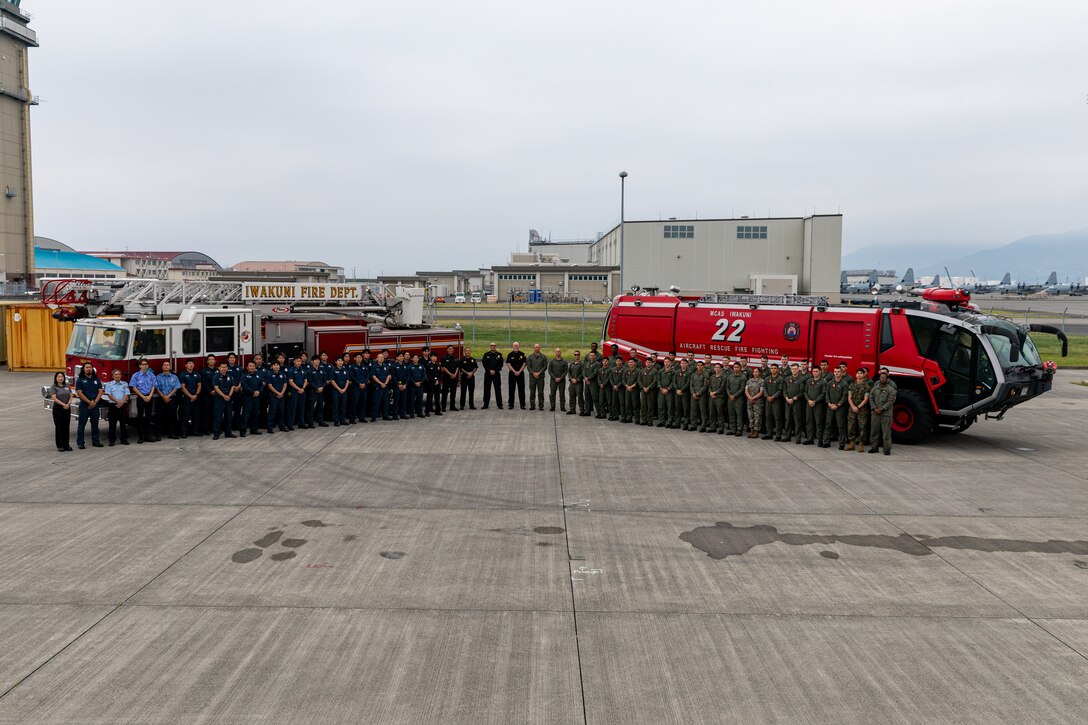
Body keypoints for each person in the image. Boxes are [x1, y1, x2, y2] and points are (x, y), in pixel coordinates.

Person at [74, 362, 105, 449]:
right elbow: (79, 393)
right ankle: (80, 443)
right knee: (82, 425)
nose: (88, 369)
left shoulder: (96, 379)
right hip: (84, 406)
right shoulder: (80, 380)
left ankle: (96, 441)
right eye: (87, 367)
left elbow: (100, 391)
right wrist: (89, 402)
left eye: (90, 367)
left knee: (95, 424)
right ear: (83, 369)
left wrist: (95, 402)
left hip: (95, 405)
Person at [129, 358, 158, 444]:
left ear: (148, 366)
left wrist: (150, 396)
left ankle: (148, 436)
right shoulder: (136, 375)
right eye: (143, 364)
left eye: (146, 364)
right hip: (141, 397)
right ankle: (141, 437)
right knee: (140, 417)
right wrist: (142, 396)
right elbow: (134, 387)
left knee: (149, 417)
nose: (144, 366)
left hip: (149, 397)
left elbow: (154, 386)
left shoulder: (151, 375)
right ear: (140, 366)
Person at [869, 368, 896, 455]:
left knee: (886, 433)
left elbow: (890, 401)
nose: (882, 379)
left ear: (887, 379)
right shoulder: (875, 389)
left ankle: (887, 449)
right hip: (875, 413)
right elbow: (871, 398)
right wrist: (874, 408)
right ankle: (874, 447)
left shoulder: (891, 389)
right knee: (874, 431)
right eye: (881, 377)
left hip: (886, 414)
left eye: (884, 377)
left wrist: (882, 408)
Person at [823, 367, 850, 449]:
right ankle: (826, 441)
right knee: (828, 424)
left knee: (841, 425)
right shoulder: (830, 383)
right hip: (830, 406)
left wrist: (838, 405)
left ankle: (842, 443)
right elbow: (826, 393)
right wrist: (829, 403)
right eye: (835, 372)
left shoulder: (844, 384)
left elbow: (844, 396)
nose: (837, 373)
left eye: (838, 372)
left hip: (840, 408)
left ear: (841, 373)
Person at [103, 368, 131, 446]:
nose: (117, 376)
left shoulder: (125, 384)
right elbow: (109, 394)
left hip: (122, 405)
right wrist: (117, 401)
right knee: (112, 424)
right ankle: (111, 440)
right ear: (112, 376)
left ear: (121, 376)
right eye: (116, 374)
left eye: (119, 374)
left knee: (123, 424)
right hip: (113, 405)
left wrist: (122, 402)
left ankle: (124, 439)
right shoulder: (109, 384)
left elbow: (127, 394)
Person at [846, 368, 871, 452]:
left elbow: (866, 399)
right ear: (856, 375)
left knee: (862, 426)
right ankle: (851, 443)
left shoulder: (866, 386)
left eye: (861, 373)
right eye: (858, 373)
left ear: (863, 375)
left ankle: (861, 444)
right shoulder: (852, 385)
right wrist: (853, 406)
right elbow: (849, 397)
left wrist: (858, 407)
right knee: (851, 426)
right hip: (852, 409)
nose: (859, 375)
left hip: (862, 409)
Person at [154, 362, 181, 440]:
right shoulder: (158, 377)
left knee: (172, 417)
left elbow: (176, 388)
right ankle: (158, 435)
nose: (166, 366)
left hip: (171, 398)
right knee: (158, 417)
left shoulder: (174, 377)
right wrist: (163, 396)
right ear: (162, 367)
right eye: (164, 365)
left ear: (170, 367)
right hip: (161, 399)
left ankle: (171, 434)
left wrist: (168, 396)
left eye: (168, 365)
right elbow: (157, 388)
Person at [48, 372, 74, 452]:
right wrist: (63, 404)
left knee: (66, 427)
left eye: (62, 376)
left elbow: (71, 395)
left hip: (67, 407)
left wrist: (68, 403)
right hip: (58, 408)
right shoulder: (53, 387)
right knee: (59, 427)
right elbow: (54, 398)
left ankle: (66, 444)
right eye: (59, 377)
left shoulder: (67, 386)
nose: (60, 378)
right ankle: (60, 445)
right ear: (56, 378)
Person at [211, 361, 236, 439]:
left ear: (227, 368)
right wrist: (224, 396)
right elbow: (216, 388)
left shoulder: (230, 376)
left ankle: (228, 433)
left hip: (228, 398)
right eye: (222, 367)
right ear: (219, 368)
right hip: (219, 399)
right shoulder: (216, 377)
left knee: (228, 416)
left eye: (225, 367)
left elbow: (233, 386)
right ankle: (216, 434)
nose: (224, 369)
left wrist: (229, 395)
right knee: (218, 417)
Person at [803, 367, 827, 445]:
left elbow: (823, 394)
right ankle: (810, 439)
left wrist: (815, 401)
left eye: (817, 371)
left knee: (819, 422)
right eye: (814, 371)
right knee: (809, 421)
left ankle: (820, 439)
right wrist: (809, 400)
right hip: (809, 404)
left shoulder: (823, 381)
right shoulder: (809, 381)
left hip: (818, 405)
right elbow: (805, 392)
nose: (815, 373)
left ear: (820, 372)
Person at [239, 361, 264, 436]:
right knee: (246, 414)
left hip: (257, 398)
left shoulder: (258, 376)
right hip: (248, 397)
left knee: (255, 414)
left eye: (253, 366)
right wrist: (253, 392)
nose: (252, 367)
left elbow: (262, 385)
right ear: (247, 367)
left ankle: (254, 429)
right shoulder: (244, 376)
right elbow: (244, 385)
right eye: (250, 366)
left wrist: (259, 391)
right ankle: (243, 431)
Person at [178, 360, 202, 438]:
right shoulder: (182, 374)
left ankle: (195, 431)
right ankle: (184, 432)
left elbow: (199, 385)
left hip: (196, 397)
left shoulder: (197, 374)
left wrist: (196, 395)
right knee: (185, 415)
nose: (191, 365)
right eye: (189, 364)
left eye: (192, 364)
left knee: (196, 415)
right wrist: (190, 396)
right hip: (186, 398)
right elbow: (182, 387)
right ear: (186, 365)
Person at [783, 363, 805, 444]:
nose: (794, 370)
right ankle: (787, 436)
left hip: (797, 403)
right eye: (793, 369)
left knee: (797, 420)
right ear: (791, 370)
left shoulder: (802, 379)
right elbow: (784, 390)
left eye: (796, 369)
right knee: (787, 419)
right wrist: (786, 398)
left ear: (798, 369)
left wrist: (794, 398)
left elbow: (802, 392)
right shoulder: (787, 379)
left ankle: (798, 438)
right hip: (788, 402)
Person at [762, 364, 784, 441]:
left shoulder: (780, 379)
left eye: (775, 368)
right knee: (768, 417)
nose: (773, 370)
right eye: (772, 368)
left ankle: (778, 435)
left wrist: (773, 397)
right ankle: (769, 433)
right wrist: (767, 396)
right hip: (768, 400)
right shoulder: (767, 378)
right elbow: (764, 388)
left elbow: (780, 390)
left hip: (776, 401)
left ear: (778, 370)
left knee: (777, 418)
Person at [266, 361, 289, 432]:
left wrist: (282, 393)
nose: (276, 366)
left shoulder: (283, 374)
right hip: (274, 396)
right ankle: (270, 427)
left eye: (277, 365)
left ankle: (282, 426)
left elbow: (285, 384)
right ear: (272, 366)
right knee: (272, 412)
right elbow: (270, 385)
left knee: (282, 411)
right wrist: (277, 393)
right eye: (274, 365)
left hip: (282, 396)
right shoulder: (269, 375)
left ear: (279, 367)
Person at [724, 362, 746, 436]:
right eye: (735, 367)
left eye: (737, 367)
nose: (736, 368)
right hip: (730, 398)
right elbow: (727, 387)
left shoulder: (743, 377)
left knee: (739, 415)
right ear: (733, 368)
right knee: (731, 414)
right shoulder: (730, 377)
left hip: (739, 399)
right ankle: (733, 429)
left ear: (740, 368)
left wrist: (734, 396)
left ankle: (739, 430)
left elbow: (742, 388)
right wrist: (729, 395)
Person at [370, 353, 393, 421]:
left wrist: (385, 383)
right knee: (376, 402)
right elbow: (373, 376)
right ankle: (374, 416)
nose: (381, 358)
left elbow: (388, 375)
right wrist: (381, 384)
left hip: (385, 386)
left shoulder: (385, 366)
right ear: (377, 359)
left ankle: (385, 416)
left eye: (382, 357)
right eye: (380, 357)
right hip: (378, 386)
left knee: (386, 402)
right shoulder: (374, 366)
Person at [287, 356, 308, 430]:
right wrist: (298, 389)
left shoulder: (303, 370)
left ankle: (301, 423)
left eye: (300, 361)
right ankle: (290, 424)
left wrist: (303, 388)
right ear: (294, 362)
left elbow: (305, 380)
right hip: (294, 391)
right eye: (297, 361)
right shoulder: (291, 370)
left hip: (302, 390)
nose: (299, 362)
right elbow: (290, 381)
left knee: (302, 407)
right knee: (293, 407)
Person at [328, 357, 350, 425]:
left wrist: (345, 389)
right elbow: (332, 381)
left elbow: (347, 380)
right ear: (336, 362)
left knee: (343, 406)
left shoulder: (345, 371)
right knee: (336, 406)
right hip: (336, 391)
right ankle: (336, 420)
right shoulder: (333, 370)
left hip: (344, 391)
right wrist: (339, 389)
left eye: (341, 361)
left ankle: (342, 420)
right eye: (339, 361)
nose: (340, 362)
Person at [307, 356, 329, 427]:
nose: (317, 361)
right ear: (312, 361)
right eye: (315, 360)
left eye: (318, 360)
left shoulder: (322, 370)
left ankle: (321, 421)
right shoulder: (309, 371)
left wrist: (322, 387)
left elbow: (325, 381)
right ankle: (310, 422)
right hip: (313, 391)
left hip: (321, 391)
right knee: (310, 407)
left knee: (320, 407)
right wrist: (317, 388)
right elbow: (310, 381)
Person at [481, 342, 504, 410]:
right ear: (490, 347)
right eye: (492, 346)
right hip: (488, 374)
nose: (493, 347)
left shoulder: (499, 355)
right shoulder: (486, 355)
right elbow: (484, 364)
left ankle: (500, 404)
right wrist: (489, 370)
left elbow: (501, 365)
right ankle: (486, 404)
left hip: (496, 375)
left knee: (498, 389)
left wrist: (495, 371)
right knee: (487, 389)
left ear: (496, 347)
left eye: (494, 346)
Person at [744, 367, 765, 438]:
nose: (755, 373)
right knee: (750, 416)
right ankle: (751, 430)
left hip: (757, 402)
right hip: (749, 401)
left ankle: (756, 431)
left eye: (756, 372)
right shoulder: (749, 381)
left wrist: (753, 398)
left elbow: (761, 392)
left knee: (757, 416)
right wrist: (750, 397)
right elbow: (746, 390)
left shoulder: (762, 381)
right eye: (754, 372)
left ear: (759, 373)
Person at [200, 354, 218, 436]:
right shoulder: (203, 371)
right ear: (207, 361)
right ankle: (206, 429)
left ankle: (215, 429)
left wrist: (216, 391)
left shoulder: (218, 371)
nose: (211, 361)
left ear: (215, 361)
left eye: (213, 359)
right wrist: (210, 391)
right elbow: (204, 383)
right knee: (207, 413)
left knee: (215, 413)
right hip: (207, 395)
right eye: (209, 359)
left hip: (217, 394)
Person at [526, 343, 547, 411]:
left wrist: (539, 373)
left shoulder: (543, 357)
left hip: (540, 377)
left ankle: (541, 405)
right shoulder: (530, 357)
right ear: (533, 348)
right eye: (535, 347)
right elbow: (528, 366)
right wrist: (533, 373)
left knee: (540, 392)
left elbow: (545, 366)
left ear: (540, 348)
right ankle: (532, 405)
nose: (537, 348)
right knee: (532, 392)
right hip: (532, 377)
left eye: (538, 347)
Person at [689, 360, 709, 432]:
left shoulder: (705, 375)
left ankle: (703, 426)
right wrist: (693, 393)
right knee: (693, 410)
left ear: (703, 366)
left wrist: (698, 393)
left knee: (703, 411)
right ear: (696, 366)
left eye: (701, 365)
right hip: (693, 395)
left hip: (702, 395)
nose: (699, 367)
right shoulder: (693, 375)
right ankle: (694, 425)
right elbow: (691, 385)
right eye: (698, 365)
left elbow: (705, 386)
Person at [506, 342, 527, 410]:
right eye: (514, 345)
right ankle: (511, 404)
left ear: (519, 346)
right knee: (511, 390)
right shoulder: (510, 354)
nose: (516, 346)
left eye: (517, 345)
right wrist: (515, 371)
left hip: (520, 374)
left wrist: (519, 371)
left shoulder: (522, 354)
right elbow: (508, 364)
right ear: (513, 346)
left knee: (521, 390)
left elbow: (524, 364)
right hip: (512, 374)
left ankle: (522, 404)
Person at [638, 356, 658, 427]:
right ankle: (644, 420)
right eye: (647, 362)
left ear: (652, 363)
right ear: (645, 363)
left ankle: (650, 421)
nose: (648, 363)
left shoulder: (655, 371)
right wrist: (643, 387)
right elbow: (639, 380)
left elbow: (655, 381)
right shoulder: (642, 371)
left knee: (650, 406)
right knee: (643, 405)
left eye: (649, 362)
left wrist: (649, 387)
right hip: (643, 390)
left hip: (651, 391)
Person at [656, 356, 675, 428]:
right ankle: (661, 421)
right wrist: (661, 388)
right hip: (661, 390)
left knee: (670, 407)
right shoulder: (661, 371)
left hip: (669, 391)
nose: (666, 363)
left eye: (668, 362)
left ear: (670, 362)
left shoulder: (673, 371)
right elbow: (658, 380)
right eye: (665, 362)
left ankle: (670, 421)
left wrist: (668, 389)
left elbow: (674, 381)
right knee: (661, 406)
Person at [440, 345, 460, 412]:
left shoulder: (455, 358)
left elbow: (457, 367)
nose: (450, 350)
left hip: (454, 378)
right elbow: (443, 367)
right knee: (445, 393)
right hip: (446, 378)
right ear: (447, 350)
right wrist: (450, 374)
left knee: (453, 392)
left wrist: (455, 374)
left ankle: (452, 406)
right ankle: (443, 407)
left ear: (453, 350)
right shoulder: (443, 358)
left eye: (452, 349)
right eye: (449, 349)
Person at [708, 362, 726, 434]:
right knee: (711, 412)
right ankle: (713, 427)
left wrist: (714, 393)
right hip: (712, 397)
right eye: (716, 367)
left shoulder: (724, 377)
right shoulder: (712, 376)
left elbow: (722, 387)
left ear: (721, 369)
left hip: (719, 397)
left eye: (718, 367)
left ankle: (721, 428)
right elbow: (709, 386)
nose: (717, 369)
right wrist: (710, 392)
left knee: (720, 413)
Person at [582, 350, 600, 417]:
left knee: (595, 398)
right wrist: (585, 378)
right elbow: (583, 371)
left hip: (593, 383)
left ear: (595, 356)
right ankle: (587, 411)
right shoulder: (587, 363)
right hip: (587, 383)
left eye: (593, 355)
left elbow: (595, 373)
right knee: (587, 397)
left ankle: (599, 412)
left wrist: (588, 378)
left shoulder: (597, 364)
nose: (591, 356)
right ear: (589, 356)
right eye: (590, 355)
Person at [608, 354, 626, 422]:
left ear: (622, 362)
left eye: (619, 361)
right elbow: (610, 378)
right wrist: (614, 386)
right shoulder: (613, 369)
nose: (618, 362)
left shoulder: (624, 369)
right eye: (617, 361)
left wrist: (618, 386)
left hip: (621, 388)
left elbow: (624, 379)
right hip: (614, 388)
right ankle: (615, 416)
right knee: (614, 402)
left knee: (622, 403)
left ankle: (623, 417)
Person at [566, 350, 584, 416]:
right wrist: (571, 379)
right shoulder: (571, 364)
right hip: (572, 383)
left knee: (580, 397)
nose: (576, 356)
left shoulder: (582, 364)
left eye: (578, 354)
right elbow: (569, 372)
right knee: (572, 397)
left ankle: (582, 410)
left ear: (579, 355)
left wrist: (577, 379)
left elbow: (583, 373)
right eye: (575, 354)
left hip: (578, 383)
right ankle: (572, 409)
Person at [424, 352, 442, 416]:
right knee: (429, 398)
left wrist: (438, 380)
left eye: (435, 357)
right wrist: (434, 381)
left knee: (437, 398)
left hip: (437, 384)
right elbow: (428, 375)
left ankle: (438, 411)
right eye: (433, 357)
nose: (434, 358)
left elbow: (440, 374)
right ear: (430, 357)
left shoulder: (438, 365)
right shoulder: (428, 365)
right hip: (431, 384)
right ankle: (427, 411)